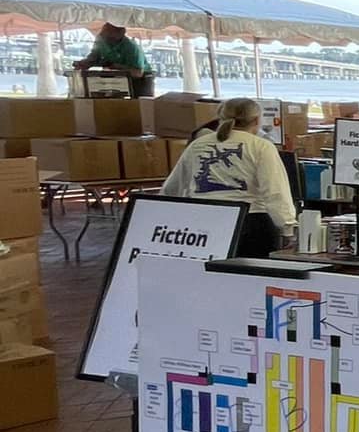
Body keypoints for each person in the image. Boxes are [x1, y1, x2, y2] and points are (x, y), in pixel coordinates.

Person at [161, 97, 297, 257]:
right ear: (256, 120)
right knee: (250, 278)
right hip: (250, 224)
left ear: (220, 117)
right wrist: (288, 229)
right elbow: (275, 192)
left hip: (203, 222)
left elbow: (171, 189)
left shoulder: (197, 145)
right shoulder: (261, 146)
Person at [74, 21, 153, 97]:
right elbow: (93, 58)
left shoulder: (131, 47)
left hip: (141, 81)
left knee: (139, 105)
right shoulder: (101, 40)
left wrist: (116, 66)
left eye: (109, 33)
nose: (104, 35)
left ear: (120, 34)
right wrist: (83, 64)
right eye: (104, 31)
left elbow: (138, 73)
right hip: (117, 79)